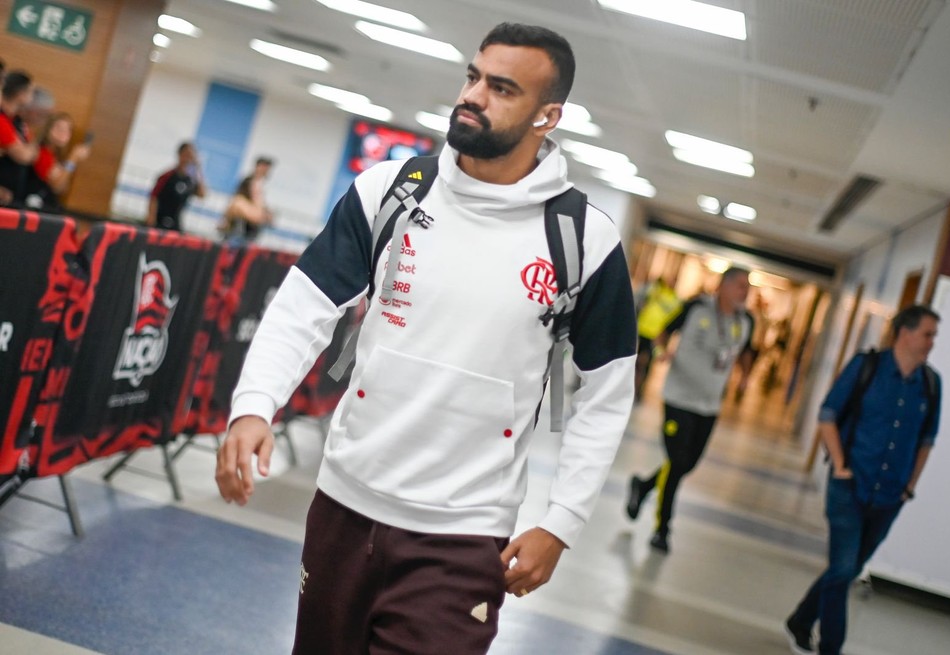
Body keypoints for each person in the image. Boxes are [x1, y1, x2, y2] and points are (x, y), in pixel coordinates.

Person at [215, 22, 636, 653]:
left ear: (548, 115)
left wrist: (563, 521)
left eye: (501, 88)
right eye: (472, 76)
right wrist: (254, 405)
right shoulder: (390, 190)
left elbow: (607, 393)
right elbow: (305, 303)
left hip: (463, 536)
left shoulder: (584, 239)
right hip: (343, 505)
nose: (473, 95)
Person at [784, 305, 941, 655]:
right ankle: (831, 649)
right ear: (906, 333)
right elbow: (828, 414)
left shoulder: (931, 384)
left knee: (848, 570)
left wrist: (909, 485)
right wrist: (839, 464)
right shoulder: (866, 366)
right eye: (928, 334)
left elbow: (927, 439)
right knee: (842, 569)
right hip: (849, 487)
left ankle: (800, 620)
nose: (932, 342)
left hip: (890, 497)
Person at [625, 267, 754, 552]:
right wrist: (662, 353)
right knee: (676, 461)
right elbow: (662, 334)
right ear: (724, 286)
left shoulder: (746, 321)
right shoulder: (695, 308)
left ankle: (644, 486)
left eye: (748, 287)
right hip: (679, 398)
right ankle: (662, 529)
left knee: (687, 463)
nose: (745, 292)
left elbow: (746, 352)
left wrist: (745, 377)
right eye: (741, 286)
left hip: (709, 405)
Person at [22, 112, 90, 211]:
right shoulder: (42, 152)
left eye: (68, 130)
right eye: (59, 128)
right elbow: (57, 186)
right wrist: (73, 158)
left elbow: (63, 188)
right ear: (48, 129)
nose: (63, 133)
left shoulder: (56, 157)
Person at [634, 276, 682, 400]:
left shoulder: (674, 300)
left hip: (655, 335)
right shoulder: (656, 291)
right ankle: (633, 386)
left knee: (646, 362)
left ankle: (639, 389)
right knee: (635, 360)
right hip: (642, 329)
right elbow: (642, 298)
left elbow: (672, 322)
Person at [147, 141, 206, 232]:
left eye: (191, 155)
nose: (188, 158)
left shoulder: (190, 180)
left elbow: (202, 195)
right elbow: (154, 197)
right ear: (180, 154)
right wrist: (151, 221)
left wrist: (197, 168)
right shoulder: (167, 176)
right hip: (160, 221)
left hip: (176, 223)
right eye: (186, 154)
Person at [0, 70, 39, 205]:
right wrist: (26, 149)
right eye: (31, 92)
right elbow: (23, 155)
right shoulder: (2, 119)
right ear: (21, 93)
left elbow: (32, 155)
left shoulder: (18, 121)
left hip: (14, 196)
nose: (32, 97)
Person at [220, 156, 274, 242]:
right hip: (241, 224)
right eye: (265, 167)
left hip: (250, 227)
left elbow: (260, 204)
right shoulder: (248, 182)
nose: (266, 170)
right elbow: (236, 200)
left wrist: (266, 213)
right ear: (258, 166)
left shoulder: (260, 184)